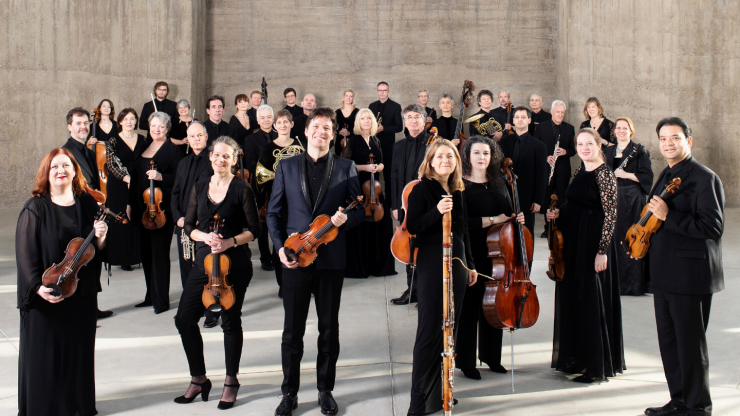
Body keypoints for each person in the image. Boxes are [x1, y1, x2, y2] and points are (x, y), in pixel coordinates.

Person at [267, 107, 365, 416]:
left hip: (330, 261)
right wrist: (281, 248)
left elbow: (359, 210)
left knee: (328, 329)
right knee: (292, 332)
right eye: (317, 126)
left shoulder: (346, 166)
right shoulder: (287, 166)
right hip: (295, 257)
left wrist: (343, 220)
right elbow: (273, 213)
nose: (322, 132)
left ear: (333, 136)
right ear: (306, 131)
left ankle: (325, 390)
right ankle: (289, 393)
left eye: (328, 128)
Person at [16, 148, 108, 416]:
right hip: (47, 293)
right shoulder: (35, 207)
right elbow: (25, 254)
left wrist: (101, 234)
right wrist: (38, 287)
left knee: (78, 354)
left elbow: (95, 249)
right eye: (55, 166)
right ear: (47, 172)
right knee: (44, 358)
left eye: (66, 166)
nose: (61, 171)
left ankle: (77, 407)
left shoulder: (87, 203)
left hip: (79, 294)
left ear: (74, 171)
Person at [642, 117, 724, 416]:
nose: (668, 143)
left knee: (690, 347)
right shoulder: (666, 173)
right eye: (663, 138)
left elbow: (712, 227)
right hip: (665, 274)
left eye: (674, 138)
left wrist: (667, 216)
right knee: (670, 344)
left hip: (690, 277)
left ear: (689, 140)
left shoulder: (705, 177)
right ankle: (679, 400)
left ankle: (698, 407)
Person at [173, 136, 261, 410]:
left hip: (234, 264)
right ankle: (198, 378)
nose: (220, 160)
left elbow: (254, 231)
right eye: (217, 155)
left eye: (227, 156)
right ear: (210, 157)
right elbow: (188, 225)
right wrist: (204, 236)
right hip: (204, 262)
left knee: (230, 322)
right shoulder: (200, 186)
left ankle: (231, 381)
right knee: (184, 319)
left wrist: (229, 241)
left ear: (234, 160)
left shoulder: (242, 189)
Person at [547, 127, 625, 383]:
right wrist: (560, 214)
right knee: (575, 299)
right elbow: (575, 202)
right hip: (573, 244)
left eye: (589, 144)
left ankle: (595, 366)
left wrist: (602, 251)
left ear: (599, 145)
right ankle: (577, 358)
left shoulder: (605, 174)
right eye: (580, 144)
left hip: (592, 246)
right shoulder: (582, 168)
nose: (584, 148)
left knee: (591, 301)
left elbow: (611, 216)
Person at [405, 139, 476, 415]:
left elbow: (464, 231)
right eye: (440, 157)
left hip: (457, 264)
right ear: (431, 161)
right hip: (433, 264)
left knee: (449, 328)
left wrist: (469, 264)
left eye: (450, 157)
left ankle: (441, 394)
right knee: (429, 329)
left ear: (456, 161)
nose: (445, 161)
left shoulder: (458, 190)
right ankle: (419, 402)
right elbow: (413, 227)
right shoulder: (422, 189)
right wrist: (436, 211)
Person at [456, 135, 524, 379]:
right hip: (471, 252)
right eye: (476, 153)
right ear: (468, 156)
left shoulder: (499, 182)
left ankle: (492, 357)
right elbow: (460, 222)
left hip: (498, 254)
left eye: (486, 153)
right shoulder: (459, 185)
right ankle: (466, 361)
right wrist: (494, 220)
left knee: (494, 306)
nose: (481, 157)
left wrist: (517, 218)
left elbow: (509, 214)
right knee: (469, 308)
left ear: (492, 156)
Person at [127, 111, 183, 314]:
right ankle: (150, 296)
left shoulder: (174, 150)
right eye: (153, 126)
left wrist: (161, 177)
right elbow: (133, 178)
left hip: (161, 210)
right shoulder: (143, 146)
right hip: (142, 208)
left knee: (159, 254)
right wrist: (129, 203)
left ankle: (161, 300)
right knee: (146, 254)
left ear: (167, 129)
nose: (156, 130)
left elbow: (180, 179)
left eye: (160, 126)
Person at [171, 121, 218, 327]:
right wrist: (179, 217)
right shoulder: (183, 163)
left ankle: (212, 310)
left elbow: (216, 193)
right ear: (187, 140)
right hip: (184, 225)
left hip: (205, 226)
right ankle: (191, 307)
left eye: (200, 135)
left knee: (208, 269)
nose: (196, 139)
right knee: (186, 268)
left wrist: (200, 218)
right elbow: (175, 194)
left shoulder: (214, 161)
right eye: (192, 136)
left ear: (207, 137)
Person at [253, 109, 304, 296]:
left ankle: (303, 281)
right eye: (279, 122)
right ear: (275, 126)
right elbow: (261, 177)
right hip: (279, 200)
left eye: (286, 122)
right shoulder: (267, 149)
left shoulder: (301, 145)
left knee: (301, 239)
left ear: (292, 124)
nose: (282, 125)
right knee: (280, 242)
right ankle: (283, 285)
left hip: (299, 200)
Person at [341, 108, 396, 278]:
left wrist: (379, 167)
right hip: (358, 188)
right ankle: (360, 267)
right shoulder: (354, 141)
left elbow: (382, 163)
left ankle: (379, 266)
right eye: (363, 118)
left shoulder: (375, 140)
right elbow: (345, 165)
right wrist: (365, 167)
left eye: (369, 118)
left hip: (375, 190)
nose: (366, 121)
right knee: (361, 226)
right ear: (359, 122)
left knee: (383, 223)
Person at [389, 104, 433, 305]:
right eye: (409, 117)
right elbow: (394, 177)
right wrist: (396, 205)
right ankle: (412, 290)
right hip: (406, 205)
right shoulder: (398, 146)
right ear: (404, 122)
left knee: (427, 248)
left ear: (424, 120)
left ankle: (426, 292)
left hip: (429, 204)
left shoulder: (434, 143)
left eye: (417, 117)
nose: (413, 121)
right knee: (409, 248)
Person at [604, 117, 653, 295]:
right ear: (614, 131)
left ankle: (633, 285)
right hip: (613, 200)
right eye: (619, 128)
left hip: (633, 200)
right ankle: (614, 283)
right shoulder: (608, 151)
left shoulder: (639, 151)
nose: (621, 131)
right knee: (614, 240)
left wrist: (625, 174)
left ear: (630, 131)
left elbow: (647, 177)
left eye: (625, 128)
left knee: (631, 240)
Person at [498, 107, 548, 251]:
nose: (520, 119)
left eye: (523, 117)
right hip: (506, 197)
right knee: (506, 239)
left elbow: (541, 175)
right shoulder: (504, 142)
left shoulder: (539, 146)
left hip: (527, 198)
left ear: (529, 120)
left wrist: (538, 200)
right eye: (517, 117)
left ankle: (526, 272)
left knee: (526, 239)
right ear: (513, 121)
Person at [105, 108, 146, 272]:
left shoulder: (143, 139)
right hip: (118, 185)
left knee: (135, 218)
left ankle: (137, 256)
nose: (130, 122)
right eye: (126, 119)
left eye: (132, 119)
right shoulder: (112, 140)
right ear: (120, 122)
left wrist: (137, 180)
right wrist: (128, 179)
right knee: (120, 218)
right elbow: (112, 164)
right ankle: (122, 258)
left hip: (138, 183)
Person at [243, 104, 279, 272]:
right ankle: (265, 256)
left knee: (280, 220)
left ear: (273, 119)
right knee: (263, 221)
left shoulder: (281, 136)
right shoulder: (250, 140)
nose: (266, 120)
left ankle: (277, 254)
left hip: (281, 185)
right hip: (261, 185)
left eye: (269, 117)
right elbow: (251, 164)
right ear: (257, 120)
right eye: (262, 117)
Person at [534, 100, 576, 237]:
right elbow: (536, 148)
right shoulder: (541, 127)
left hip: (563, 170)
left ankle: (560, 227)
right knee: (547, 199)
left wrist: (565, 152)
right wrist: (546, 157)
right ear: (552, 112)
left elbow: (573, 150)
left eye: (562, 112)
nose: (560, 115)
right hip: (547, 169)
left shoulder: (569, 128)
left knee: (562, 199)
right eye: (557, 112)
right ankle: (548, 228)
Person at [369, 81, 403, 194]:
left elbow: (399, 127)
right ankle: (376, 199)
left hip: (388, 145)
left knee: (388, 173)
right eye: (380, 90)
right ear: (377, 92)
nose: (382, 92)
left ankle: (390, 203)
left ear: (388, 91)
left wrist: (384, 128)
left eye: (384, 90)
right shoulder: (372, 106)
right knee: (374, 172)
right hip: (373, 144)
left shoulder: (396, 106)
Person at [63, 107, 101, 191]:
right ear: (69, 127)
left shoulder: (90, 152)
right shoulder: (64, 153)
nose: (83, 126)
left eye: (86, 123)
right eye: (78, 123)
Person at [334, 89, 359, 156]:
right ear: (343, 98)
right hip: (339, 141)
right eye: (346, 96)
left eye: (351, 96)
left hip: (353, 140)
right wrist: (338, 132)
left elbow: (360, 128)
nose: (348, 98)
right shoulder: (337, 112)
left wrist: (349, 133)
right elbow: (332, 127)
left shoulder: (357, 112)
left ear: (353, 99)